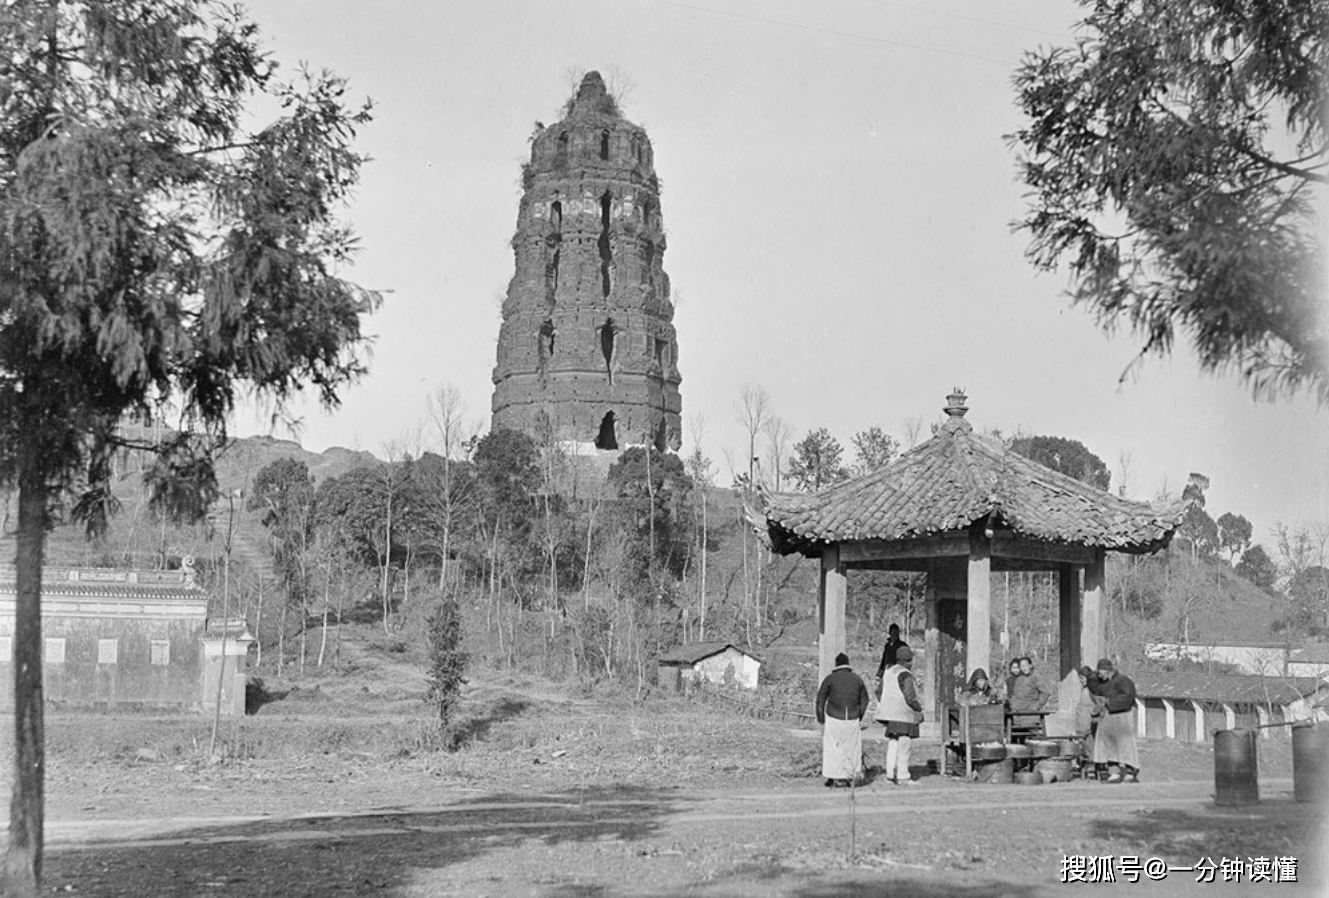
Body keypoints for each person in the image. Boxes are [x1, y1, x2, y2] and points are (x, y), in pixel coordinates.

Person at [815, 652, 870, 787]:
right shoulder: (857, 679)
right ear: (848, 664)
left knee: (833, 748)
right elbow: (865, 699)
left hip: (834, 718)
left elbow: (820, 700)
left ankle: (834, 777)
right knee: (851, 748)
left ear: (836, 665)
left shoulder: (830, 679)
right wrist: (859, 714)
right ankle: (849, 776)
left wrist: (821, 719)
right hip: (852, 718)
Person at [875, 645, 924, 785]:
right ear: (908, 661)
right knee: (904, 745)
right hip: (904, 715)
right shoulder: (905, 674)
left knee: (893, 744)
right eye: (911, 660)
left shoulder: (888, 672)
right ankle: (903, 776)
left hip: (890, 716)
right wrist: (919, 709)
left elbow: (878, 692)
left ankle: (890, 776)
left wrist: (888, 704)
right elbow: (910, 697)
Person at [1093, 658, 1140, 783]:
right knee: (1108, 744)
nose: (1099, 675)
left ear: (1106, 670)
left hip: (1122, 717)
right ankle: (1113, 773)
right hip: (1107, 718)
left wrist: (1109, 702)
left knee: (1126, 744)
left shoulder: (1123, 681)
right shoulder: (1102, 683)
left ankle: (1130, 772)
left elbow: (1128, 696)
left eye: (1100, 672)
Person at [1074, 666, 1105, 775]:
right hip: (1082, 721)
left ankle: (1092, 765)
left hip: (1088, 721)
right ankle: (1084, 765)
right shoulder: (1085, 689)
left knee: (1090, 744)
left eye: (1082, 678)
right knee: (1083, 744)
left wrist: (1094, 713)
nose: (1080, 681)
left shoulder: (1092, 689)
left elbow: (1099, 703)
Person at [1009, 655, 1052, 734]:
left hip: (1030, 713)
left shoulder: (1037, 677)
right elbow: (1015, 695)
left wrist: (1037, 705)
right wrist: (1013, 705)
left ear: (1030, 665)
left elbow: (1046, 692)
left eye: (1025, 665)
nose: (1023, 668)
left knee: (1032, 739)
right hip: (1017, 714)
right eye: (1021, 666)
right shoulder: (1019, 679)